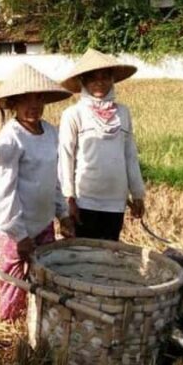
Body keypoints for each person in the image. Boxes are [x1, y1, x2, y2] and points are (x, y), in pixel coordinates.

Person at [0, 64, 74, 321]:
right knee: (14, 283)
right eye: (25, 99)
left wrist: (63, 213)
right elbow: (4, 191)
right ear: (13, 102)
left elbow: (54, 179)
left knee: (45, 280)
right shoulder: (10, 138)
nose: (33, 104)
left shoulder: (51, 132)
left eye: (38, 98)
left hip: (43, 222)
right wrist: (19, 234)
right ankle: (11, 334)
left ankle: (40, 326)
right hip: (16, 228)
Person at [57, 49, 146, 241]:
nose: (100, 82)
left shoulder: (123, 112)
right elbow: (66, 156)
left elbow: (130, 154)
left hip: (116, 200)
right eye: (92, 78)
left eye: (105, 76)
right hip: (85, 199)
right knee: (84, 253)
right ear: (83, 81)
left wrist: (137, 193)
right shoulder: (74, 114)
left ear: (112, 79)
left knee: (108, 253)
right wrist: (68, 198)